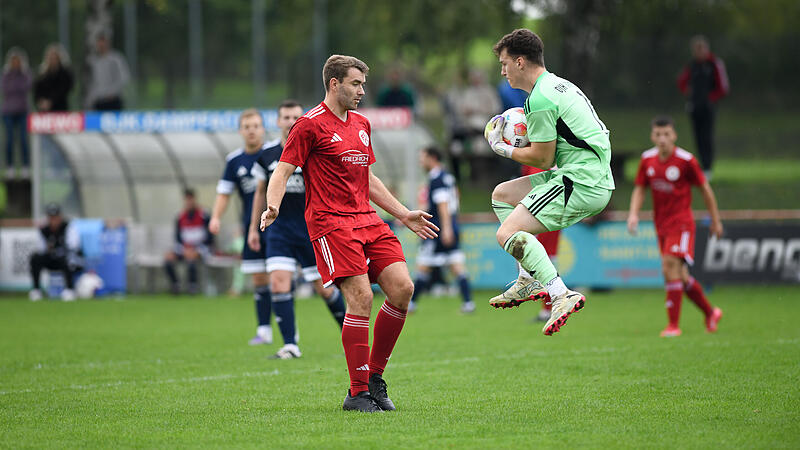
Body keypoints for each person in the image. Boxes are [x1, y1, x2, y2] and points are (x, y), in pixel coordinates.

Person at [260, 55, 438, 413]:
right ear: (334, 84)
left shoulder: (361, 123)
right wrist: (273, 206)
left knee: (403, 288)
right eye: (356, 84)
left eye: (363, 84)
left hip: (367, 219)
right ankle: (356, 394)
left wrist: (403, 214)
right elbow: (281, 172)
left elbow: (367, 179)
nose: (362, 91)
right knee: (360, 298)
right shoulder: (308, 125)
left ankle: (374, 377)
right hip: (330, 223)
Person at [484, 28, 614, 336]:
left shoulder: (539, 99)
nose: (502, 71)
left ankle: (560, 293)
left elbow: (542, 158)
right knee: (502, 195)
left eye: (504, 64)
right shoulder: (558, 84)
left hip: (582, 181)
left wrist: (502, 147)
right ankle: (527, 278)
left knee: (507, 233)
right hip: (585, 173)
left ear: (519, 62)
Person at [248, 100, 347, 360]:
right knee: (279, 283)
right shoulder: (267, 155)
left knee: (324, 289)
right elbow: (259, 193)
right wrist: (252, 228)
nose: (291, 122)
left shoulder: (314, 150)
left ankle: (352, 337)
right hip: (279, 230)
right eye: (286, 117)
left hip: (311, 230)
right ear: (278, 121)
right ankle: (290, 345)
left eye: (295, 117)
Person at [627, 116, 724, 337]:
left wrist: (715, 220)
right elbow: (640, 188)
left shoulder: (686, 160)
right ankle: (710, 312)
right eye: (658, 134)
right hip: (660, 224)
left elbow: (705, 190)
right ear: (652, 136)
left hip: (681, 224)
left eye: (667, 134)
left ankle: (673, 325)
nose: (662, 139)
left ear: (674, 136)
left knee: (668, 266)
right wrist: (633, 214)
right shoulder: (647, 160)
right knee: (680, 275)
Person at [208, 109, 273, 346]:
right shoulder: (234, 161)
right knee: (258, 278)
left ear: (263, 128)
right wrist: (216, 217)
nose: (252, 130)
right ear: (241, 131)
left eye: (256, 125)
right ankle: (264, 330)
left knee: (281, 277)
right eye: (247, 126)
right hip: (252, 227)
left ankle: (292, 333)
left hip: (280, 226)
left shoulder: (274, 154)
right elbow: (224, 193)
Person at [408, 146, 473, 314]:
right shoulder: (447, 177)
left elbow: (443, 205)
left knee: (423, 266)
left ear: (432, 158)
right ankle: (468, 303)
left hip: (437, 229)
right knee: (457, 266)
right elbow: (454, 201)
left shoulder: (437, 179)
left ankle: (411, 304)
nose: (420, 161)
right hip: (448, 226)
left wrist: (446, 229)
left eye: (422, 157)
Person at [677, 35, 729, 179]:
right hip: (694, 107)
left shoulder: (714, 64)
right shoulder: (692, 65)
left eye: (701, 49)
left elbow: (723, 87)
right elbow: (681, 81)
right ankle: (701, 166)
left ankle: (707, 168)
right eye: (696, 49)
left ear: (707, 49)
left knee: (707, 136)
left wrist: (710, 99)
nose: (699, 52)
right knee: (698, 136)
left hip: (708, 108)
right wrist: (688, 93)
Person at [28, 203, 82, 302]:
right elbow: (40, 248)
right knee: (35, 258)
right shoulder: (44, 230)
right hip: (51, 258)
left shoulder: (68, 227)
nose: (53, 220)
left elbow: (74, 246)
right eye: (51, 218)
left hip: (66, 258)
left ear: (60, 217)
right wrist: (49, 249)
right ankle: (36, 290)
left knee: (68, 259)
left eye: (55, 217)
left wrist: (59, 249)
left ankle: (69, 290)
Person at [164, 188, 212, 295]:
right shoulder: (180, 216)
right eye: (187, 199)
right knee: (168, 258)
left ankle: (192, 286)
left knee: (191, 257)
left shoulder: (204, 215)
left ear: (195, 199)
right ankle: (175, 285)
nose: (189, 202)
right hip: (184, 248)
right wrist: (184, 249)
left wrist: (196, 249)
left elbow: (210, 237)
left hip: (201, 248)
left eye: (191, 199)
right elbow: (177, 238)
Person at [2, 47, 33, 178]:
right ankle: (10, 167)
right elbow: (5, 88)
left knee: (23, 140)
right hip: (8, 111)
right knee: (9, 140)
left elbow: (26, 87)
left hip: (22, 111)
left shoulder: (25, 74)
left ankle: (26, 166)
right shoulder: (5, 75)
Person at [85, 32, 130, 111]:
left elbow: (124, 77)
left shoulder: (116, 59)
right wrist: (91, 99)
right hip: (98, 101)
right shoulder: (93, 61)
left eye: (103, 42)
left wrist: (112, 92)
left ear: (108, 43)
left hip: (113, 100)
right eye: (99, 43)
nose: (101, 45)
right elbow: (92, 82)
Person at [33, 43, 74, 112]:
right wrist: (41, 102)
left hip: (60, 109)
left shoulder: (65, 73)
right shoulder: (42, 74)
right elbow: (37, 91)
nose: (53, 60)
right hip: (44, 110)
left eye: (55, 58)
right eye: (51, 58)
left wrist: (51, 101)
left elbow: (64, 89)